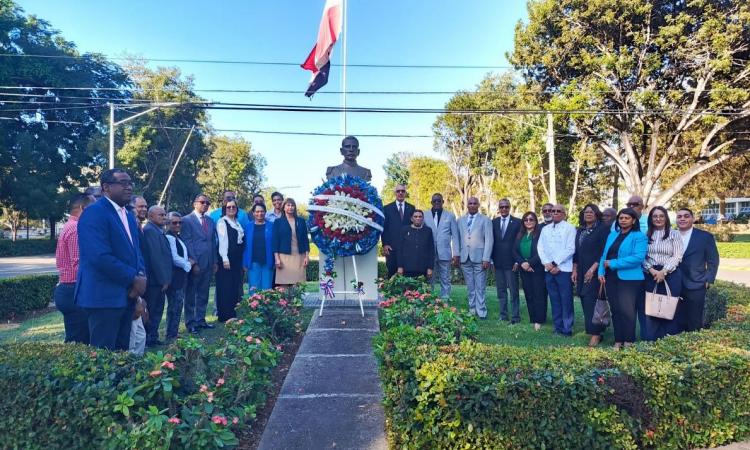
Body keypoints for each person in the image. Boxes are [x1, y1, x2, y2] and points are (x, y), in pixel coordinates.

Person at [76, 168, 146, 350]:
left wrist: (140, 277)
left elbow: (136, 252)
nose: (129, 187)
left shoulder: (129, 216)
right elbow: (98, 257)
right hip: (103, 297)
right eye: (123, 183)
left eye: (130, 183)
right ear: (106, 187)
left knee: (122, 353)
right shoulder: (94, 213)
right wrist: (133, 278)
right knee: (104, 357)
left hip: (127, 295)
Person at [598, 208, 648, 349]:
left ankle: (628, 341)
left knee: (627, 311)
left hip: (630, 279)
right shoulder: (612, 235)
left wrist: (613, 264)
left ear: (633, 221)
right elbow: (604, 255)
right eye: (621, 218)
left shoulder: (639, 236)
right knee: (615, 310)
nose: (623, 220)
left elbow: (638, 258)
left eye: (627, 218)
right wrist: (601, 272)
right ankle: (618, 340)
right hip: (611, 278)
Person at [54, 193, 95, 344]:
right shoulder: (76, 228)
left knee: (77, 339)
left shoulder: (70, 226)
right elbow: (80, 265)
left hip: (69, 289)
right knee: (79, 342)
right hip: (73, 290)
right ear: (83, 208)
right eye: (93, 208)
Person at [642, 206, 684, 340]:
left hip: (670, 275)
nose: (658, 219)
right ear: (651, 219)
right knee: (652, 308)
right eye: (655, 216)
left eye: (661, 216)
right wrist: (652, 270)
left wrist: (664, 271)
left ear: (666, 218)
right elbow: (641, 256)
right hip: (650, 275)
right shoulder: (646, 235)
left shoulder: (674, 234)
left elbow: (677, 256)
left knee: (669, 307)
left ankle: (669, 340)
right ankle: (651, 340)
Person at [675, 208, 720, 332]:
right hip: (674, 283)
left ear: (692, 219)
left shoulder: (705, 237)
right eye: (679, 216)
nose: (682, 219)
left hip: (697, 283)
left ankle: (694, 345)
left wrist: (709, 280)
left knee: (694, 320)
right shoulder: (670, 235)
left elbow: (713, 260)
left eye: (686, 216)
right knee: (676, 319)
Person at [572, 204, 610, 347]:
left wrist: (593, 269)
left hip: (595, 270)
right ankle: (593, 329)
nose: (588, 214)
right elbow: (576, 252)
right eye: (586, 211)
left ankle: (596, 334)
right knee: (583, 297)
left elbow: (603, 251)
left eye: (591, 212)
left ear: (596, 214)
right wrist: (575, 269)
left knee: (592, 301)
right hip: (581, 270)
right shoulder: (580, 230)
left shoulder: (602, 229)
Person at [181, 194, 218, 334]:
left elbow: (213, 242)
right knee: (190, 294)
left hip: (208, 262)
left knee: (203, 293)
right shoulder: (186, 220)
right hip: (195, 263)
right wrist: (194, 262)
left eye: (208, 203)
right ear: (195, 204)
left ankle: (200, 320)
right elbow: (187, 242)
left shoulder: (210, 220)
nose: (205, 204)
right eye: (202, 202)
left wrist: (214, 261)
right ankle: (190, 323)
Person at [537, 204, 576, 336]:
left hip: (563, 269)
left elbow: (570, 249)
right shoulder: (545, 229)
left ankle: (567, 328)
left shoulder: (570, 228)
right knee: (554, 299)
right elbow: (540, 248)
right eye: (553, 211)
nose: (554, 213)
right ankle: (557, 327)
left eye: (558, 211)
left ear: (564, 214)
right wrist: (547, 264)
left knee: (566, 300)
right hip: (549, 270)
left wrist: (554, 263)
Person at [456, 197, 494, 319]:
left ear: (478, 205)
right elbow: (457, 239)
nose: (472, 205)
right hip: (465, 258)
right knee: (470, 286)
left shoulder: (485, 220)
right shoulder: (460, 220)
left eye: (474, 203)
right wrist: (456, 254)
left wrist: (486, 258)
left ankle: (481, 311)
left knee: (480, 286)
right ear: (467, 205)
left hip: (480, 258)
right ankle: (472, 309)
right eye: (470, 203)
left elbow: (489, 240)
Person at [141, 206, 173, 346]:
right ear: (151, 216)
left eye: (165, 214)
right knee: (152, 309)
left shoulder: (158, 230)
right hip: (155, 280)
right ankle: (148, 337)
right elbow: (156, 257)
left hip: (159, 280)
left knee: (158, 309)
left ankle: (153, 336)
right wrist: (163, 279)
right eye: (161, 215)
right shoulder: (150, 231)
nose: (164, 217)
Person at [512, 212, 547, 330]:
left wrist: (530, 263)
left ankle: (539, 319)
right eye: (526, 219)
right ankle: (532, 318)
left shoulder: (540, 234)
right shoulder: (520, 234)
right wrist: (522, 263)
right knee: (528, 294)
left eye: (531, 219)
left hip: (537, 268)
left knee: (538, 294)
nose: (528, 221)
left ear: (536, 221)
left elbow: (542, 252)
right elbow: (514, 251)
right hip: (524, 268)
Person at [491, 198, 522, 324]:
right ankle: (503, 315)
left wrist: (517, 261)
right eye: (501, 207)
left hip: (512, 263)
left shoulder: (517, 222)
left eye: (506, 207)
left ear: (510, 208)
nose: (504, 209)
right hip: (497, 262)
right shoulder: (493, 222)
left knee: (514, 291)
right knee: (501, 290)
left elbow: (519, 243)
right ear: (498, 208)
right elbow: (491, 242)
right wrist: (491, 260)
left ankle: (515, 316)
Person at [215, 199, 246, 322]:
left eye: (233, 207)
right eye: (229, 207)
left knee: (234, 285)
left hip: (236, 259)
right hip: (227, 259)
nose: (231, 209)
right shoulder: (222, 222)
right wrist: (224, 258)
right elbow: (223, 241)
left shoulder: (237, 223)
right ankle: (225, 315)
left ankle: (232, 313)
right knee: (225, 286)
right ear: (224, 209)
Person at [423, 193, 459, 298]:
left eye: (439, 201)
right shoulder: (424, 215)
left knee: (446, 279)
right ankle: (429, 302)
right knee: (429, 280)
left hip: (445, 253)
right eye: (435, 201)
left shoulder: (450, 216)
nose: (437, 203)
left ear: (443, 202)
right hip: (429, 254)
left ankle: (445, 303)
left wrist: (456, 253)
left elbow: (455, 236)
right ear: (431, 202)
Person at [165, 212, 193, 340]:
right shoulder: (170, 238)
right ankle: (171, 333)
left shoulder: (177, 237)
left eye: (180, 222)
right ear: (168, 223)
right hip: (174, 276)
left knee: (177, 305)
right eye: (174, 222)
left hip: (180, 276)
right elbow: (174, 258)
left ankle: (173, 332)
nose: (178, 225)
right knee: (174, 306)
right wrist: (189, 264)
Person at [272, 198, 310, 287]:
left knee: (298, 285)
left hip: (299, 256)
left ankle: (297, 301)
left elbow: (305, 240)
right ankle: (285, 301)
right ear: (284, 208)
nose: (290, 207)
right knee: (283, 285)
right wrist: (277, 258)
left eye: (292, 205)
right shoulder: (278, 222)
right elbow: (275, 241)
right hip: (284, 257)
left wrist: (307, 256)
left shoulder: (301, 221)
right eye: (288, 205)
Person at [382, 185, 415, 278]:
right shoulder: (387, 208)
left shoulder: (411, 208)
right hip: (391, 248)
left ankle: (408, 293)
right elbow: (384, 228)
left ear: (405, 193)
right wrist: (385, 244)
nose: (400, 193)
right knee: (392, 275)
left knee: (407, 275)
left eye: (403, 191)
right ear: (395, 193)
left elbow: (413, 227)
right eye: (398, 191)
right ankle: (391, 293)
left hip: (407, 248)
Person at [244, 203, 275, 292]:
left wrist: (275, 260)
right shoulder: (248, 226)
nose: (259, 214)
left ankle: (266, 306)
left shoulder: (271, 226)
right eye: (257, 211)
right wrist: (244, 262)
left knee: (267, 289)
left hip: (268, 261)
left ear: (265, 212)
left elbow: (275, 244)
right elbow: (245, 246)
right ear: (253, 213)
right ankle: (254, 306)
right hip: (253, 262)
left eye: (262, 211)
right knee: (254, 289)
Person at [397, 210, 435, 278]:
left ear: (423, 218)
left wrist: (430, 268)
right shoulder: (404, 230)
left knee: (422, 288)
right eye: (415, 216)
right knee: (407, 288)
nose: (418, 218)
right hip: (407, 269)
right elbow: (400, 249)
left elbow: (431, 250)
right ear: (411, 219)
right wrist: (400, 266)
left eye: (420, 216)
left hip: (423, 269)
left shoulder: (428, 231)